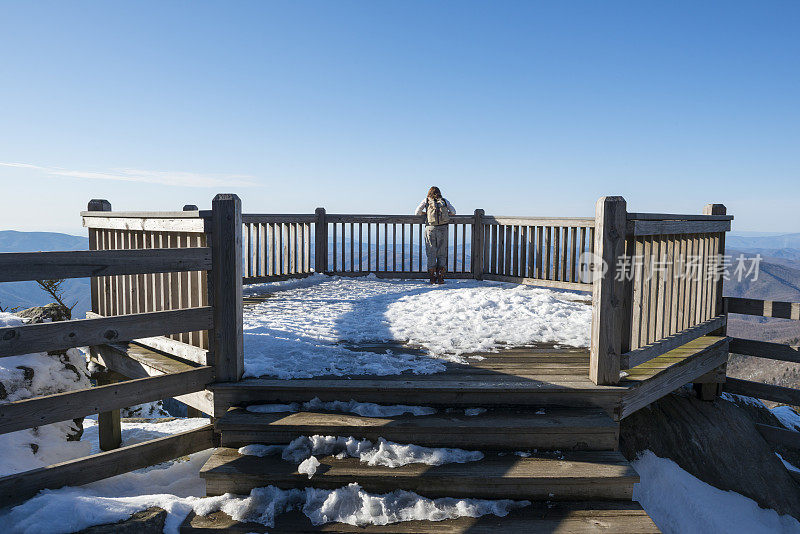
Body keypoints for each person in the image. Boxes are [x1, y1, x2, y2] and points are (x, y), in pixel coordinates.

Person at [415, 186, 456, 284]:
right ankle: (441, 277)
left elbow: (417, 213)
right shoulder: (444, 201)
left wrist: (426, 214)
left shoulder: (426, 200)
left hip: (430, 229)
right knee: (442, 253)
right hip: (443, 229)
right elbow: (454, 212)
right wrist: (446, 215)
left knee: (431, 253)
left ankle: (432, 278)